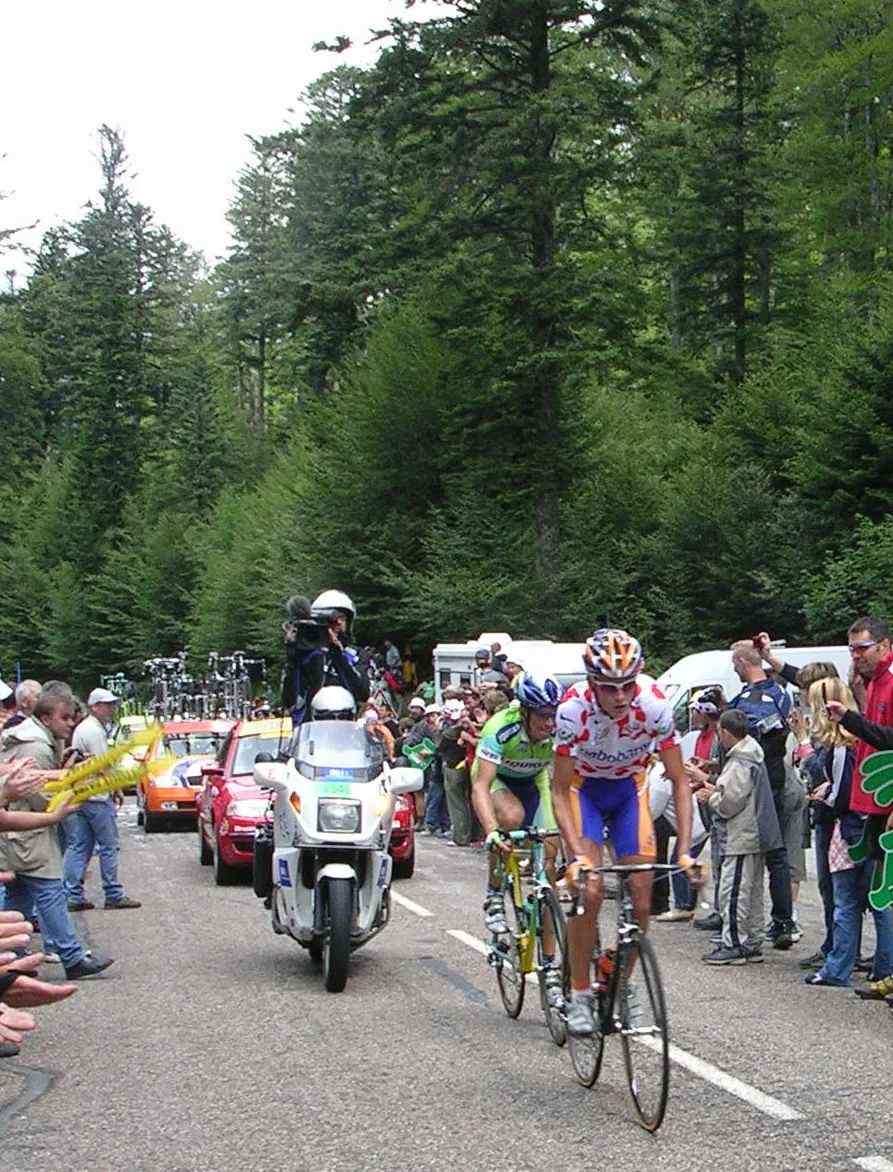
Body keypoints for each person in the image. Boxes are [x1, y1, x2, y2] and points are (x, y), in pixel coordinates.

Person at [551, 629, 694, 1037]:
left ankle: (620, 979)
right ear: (592, 682)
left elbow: (680, 781)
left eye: (627, 685)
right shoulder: (572, 711)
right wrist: (577, 854)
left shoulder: (654, 706)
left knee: (643, 898)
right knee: (590, 892)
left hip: (630, 791)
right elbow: (559, 791)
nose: (621, 696)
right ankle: (579, 993)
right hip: (584, 793)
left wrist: (683, 850)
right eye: (610, 687)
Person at [0, 682, 113, 980]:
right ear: (46, 717)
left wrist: (67, 772)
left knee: (19, 896)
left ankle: (14, 958)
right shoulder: (36, 746)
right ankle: (71, 956)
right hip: (29, 837)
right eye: (64, 718)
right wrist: (76, 788)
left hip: (19, 837)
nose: (70, 724)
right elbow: (42, 796)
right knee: (49, 891)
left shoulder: (34, 740)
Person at [471, 671, 564, 1006]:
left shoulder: (560, 728)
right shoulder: (501, 727)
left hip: (534, 781)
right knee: (511, 819)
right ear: (523, 711)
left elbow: (563, 785)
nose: (549, 723)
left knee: (550, 863)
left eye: (553, 714)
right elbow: (480, 786)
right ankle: (494, 894)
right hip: (498, 783)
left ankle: (551, 964)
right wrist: (493, 832)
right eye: (542, 715)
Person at [804, 677, 893, 987]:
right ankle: (884, 967)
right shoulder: (858, 742)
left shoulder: (842, 747)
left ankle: (838, 967)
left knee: (848, 900)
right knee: (877, 900)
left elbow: (843, 793)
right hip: (869, 821)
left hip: (853, 827)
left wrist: (822, 796)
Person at [698, 709, 784, 965]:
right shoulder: (753, 755)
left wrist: (711, 797)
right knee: (753, 889)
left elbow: (729, 802)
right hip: (757, 833)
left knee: (733, 890)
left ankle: (733, 942)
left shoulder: (739, 762)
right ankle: (752, 939)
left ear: (724, 731)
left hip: (742, 834)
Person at [726, 640, 796, 949]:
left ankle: (738, 922)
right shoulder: (783, 692)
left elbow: (745, 741)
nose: (733, 667)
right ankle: (783, 921)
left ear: (742, 662)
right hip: (777, 775)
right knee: (778, 852)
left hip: (754, 780)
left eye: (734, 662)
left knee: (746, 852)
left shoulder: (744, 700)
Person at [62, 687, 140, 912]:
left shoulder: (84, 728)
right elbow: (102, 764)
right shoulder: (94, 731)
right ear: (94, 706)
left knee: (79, 845)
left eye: (112, 704)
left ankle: (73, 895)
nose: (111, 708)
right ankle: (113, 893)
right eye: (106, 704)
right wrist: (115, 788)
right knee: (109, 845)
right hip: (96, 795)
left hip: (82, 794)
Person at [281, 591, 370, 726]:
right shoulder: (306, 657)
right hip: (311, 731)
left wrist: (337, 654)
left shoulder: (356, 655)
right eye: (331, 620)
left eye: (342, 618)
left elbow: (362, 695)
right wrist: (292, 657)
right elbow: (290, 700)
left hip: (348, 730)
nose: (338, 623)